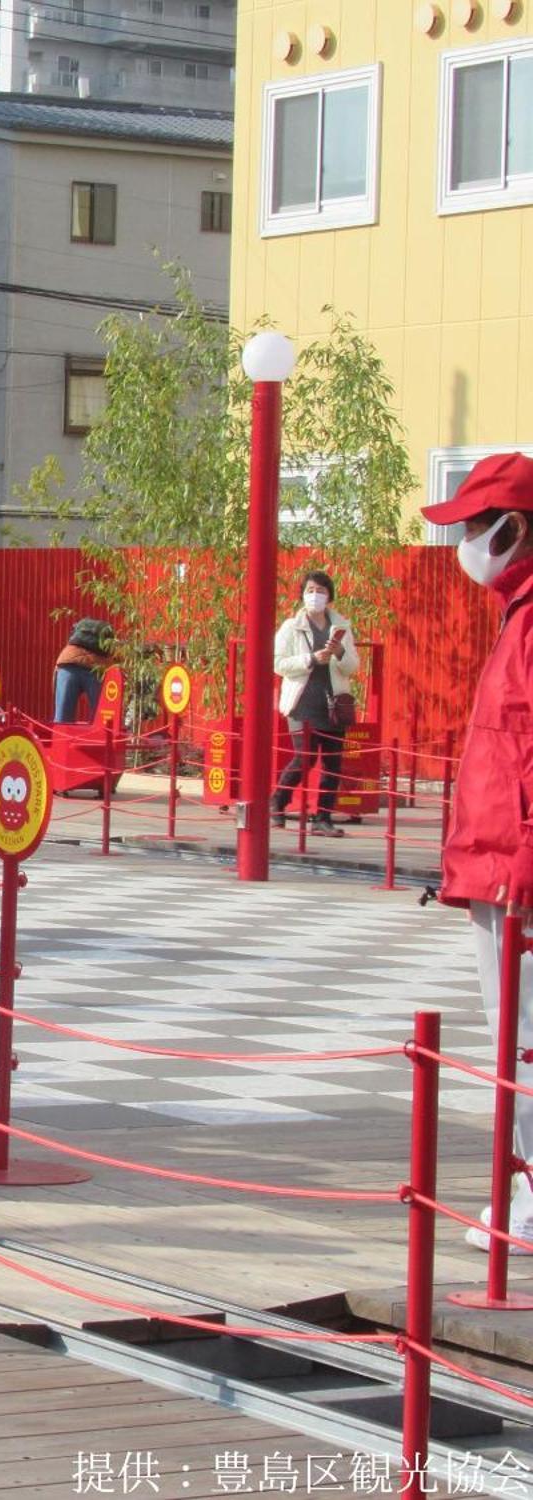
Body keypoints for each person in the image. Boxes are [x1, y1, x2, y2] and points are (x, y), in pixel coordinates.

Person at [420, 452, 533, 1250]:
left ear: (515, 528)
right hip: (498, 866)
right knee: (515, 1042)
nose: (464, 544)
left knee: (523, 1043)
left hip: (516, 872)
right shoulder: (518, 614)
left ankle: (529, 1202)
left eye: (473, 527)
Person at [271, 569, 361, 837]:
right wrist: (311, 659)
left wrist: (339, 652)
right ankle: (277, 801)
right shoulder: (291, 626)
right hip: (303, 700)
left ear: (329, 595)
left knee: (333, 761)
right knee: (305, 757)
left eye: (320, 591)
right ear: (302, 595)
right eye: (310, 591)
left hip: (333, 702)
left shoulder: (341, 626)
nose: (315, 596)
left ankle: (323, 817)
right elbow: (278, 663)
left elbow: (352, 666)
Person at [53, 619, 116, 725]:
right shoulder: (111, 647)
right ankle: (97, 739)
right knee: (100, 716)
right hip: (95, 667)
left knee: (62, 718)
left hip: (67, 663)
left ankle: (60, 741)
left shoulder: (71, 647)